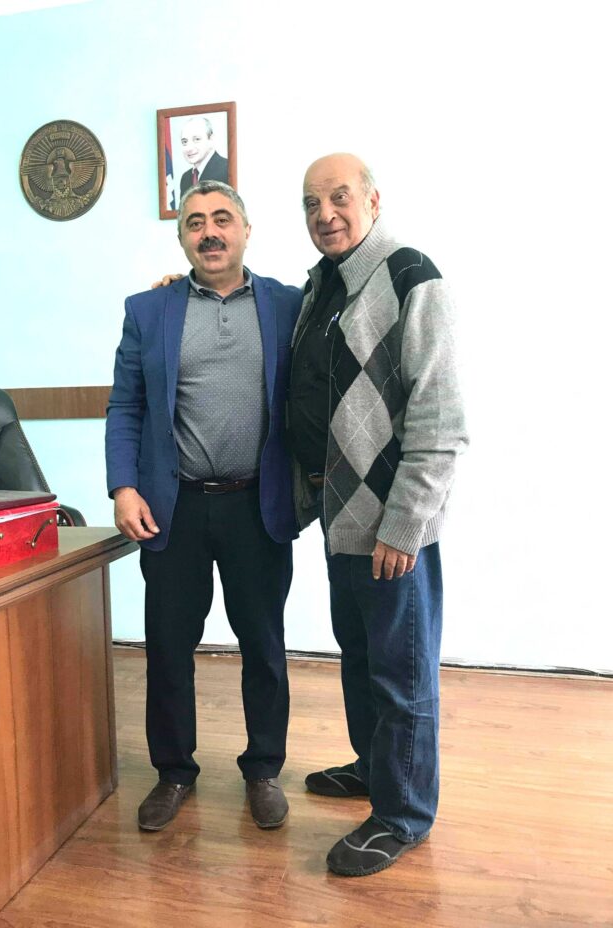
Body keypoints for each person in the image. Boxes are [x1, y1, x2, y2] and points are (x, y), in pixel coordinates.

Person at [290, 152, 468, 876]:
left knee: (402, 673)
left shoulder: (410, 276)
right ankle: (375, 769)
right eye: (311, 203)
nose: (325, 213)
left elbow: (441, 419)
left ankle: (402, 815)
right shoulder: (321, 286)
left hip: (391, 527)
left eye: (339, 197)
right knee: (361, 659)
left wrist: (404, 525)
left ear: (373, 199)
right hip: (340, 521)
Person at [105, 180, 302, 833]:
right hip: (174, 507)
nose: (209, 231)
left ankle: (264, 769)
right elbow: (126, 405)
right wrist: (123, 486)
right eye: (195, 222)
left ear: (245, 229)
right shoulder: (149, 310)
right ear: (182, 237)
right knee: (168, 647)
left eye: (222, 219)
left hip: (257, 506)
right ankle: (173, 773)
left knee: (264, 645)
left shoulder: (289, 305)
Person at [178, 116, 229, 197]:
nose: (189, 148)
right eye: (184, 142)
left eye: (197, 139)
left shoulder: (227, 170)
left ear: (211, 139)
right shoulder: (185, 178)